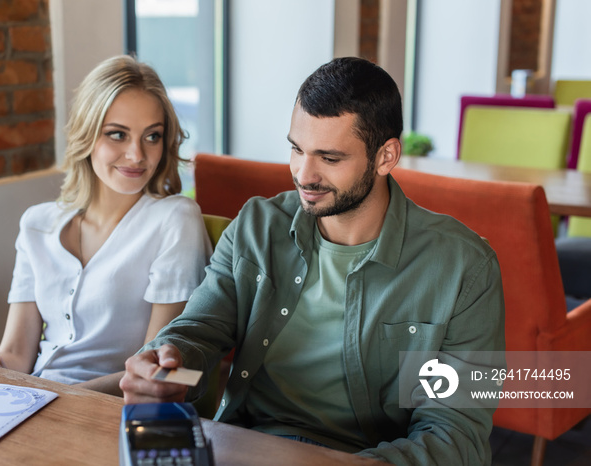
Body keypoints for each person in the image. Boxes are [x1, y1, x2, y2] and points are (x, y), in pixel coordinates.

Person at [120, 57, 505, 464]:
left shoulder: (465, 268)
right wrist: (165, 362)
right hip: (248, 447)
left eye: (330, 158)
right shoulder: (256, 226)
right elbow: (199, 330)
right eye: (296, 149)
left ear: (386, 157)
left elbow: (455, 435)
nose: (304, 174)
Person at [0, 55, 212, 395]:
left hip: (111, 409)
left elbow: (158, 371)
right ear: (87, 135)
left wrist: (59, 398)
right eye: (117, 135)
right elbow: (15, 355)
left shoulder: (175, 219)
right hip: (31, 398)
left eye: (152, 136)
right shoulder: (37, 224)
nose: (137, 155)